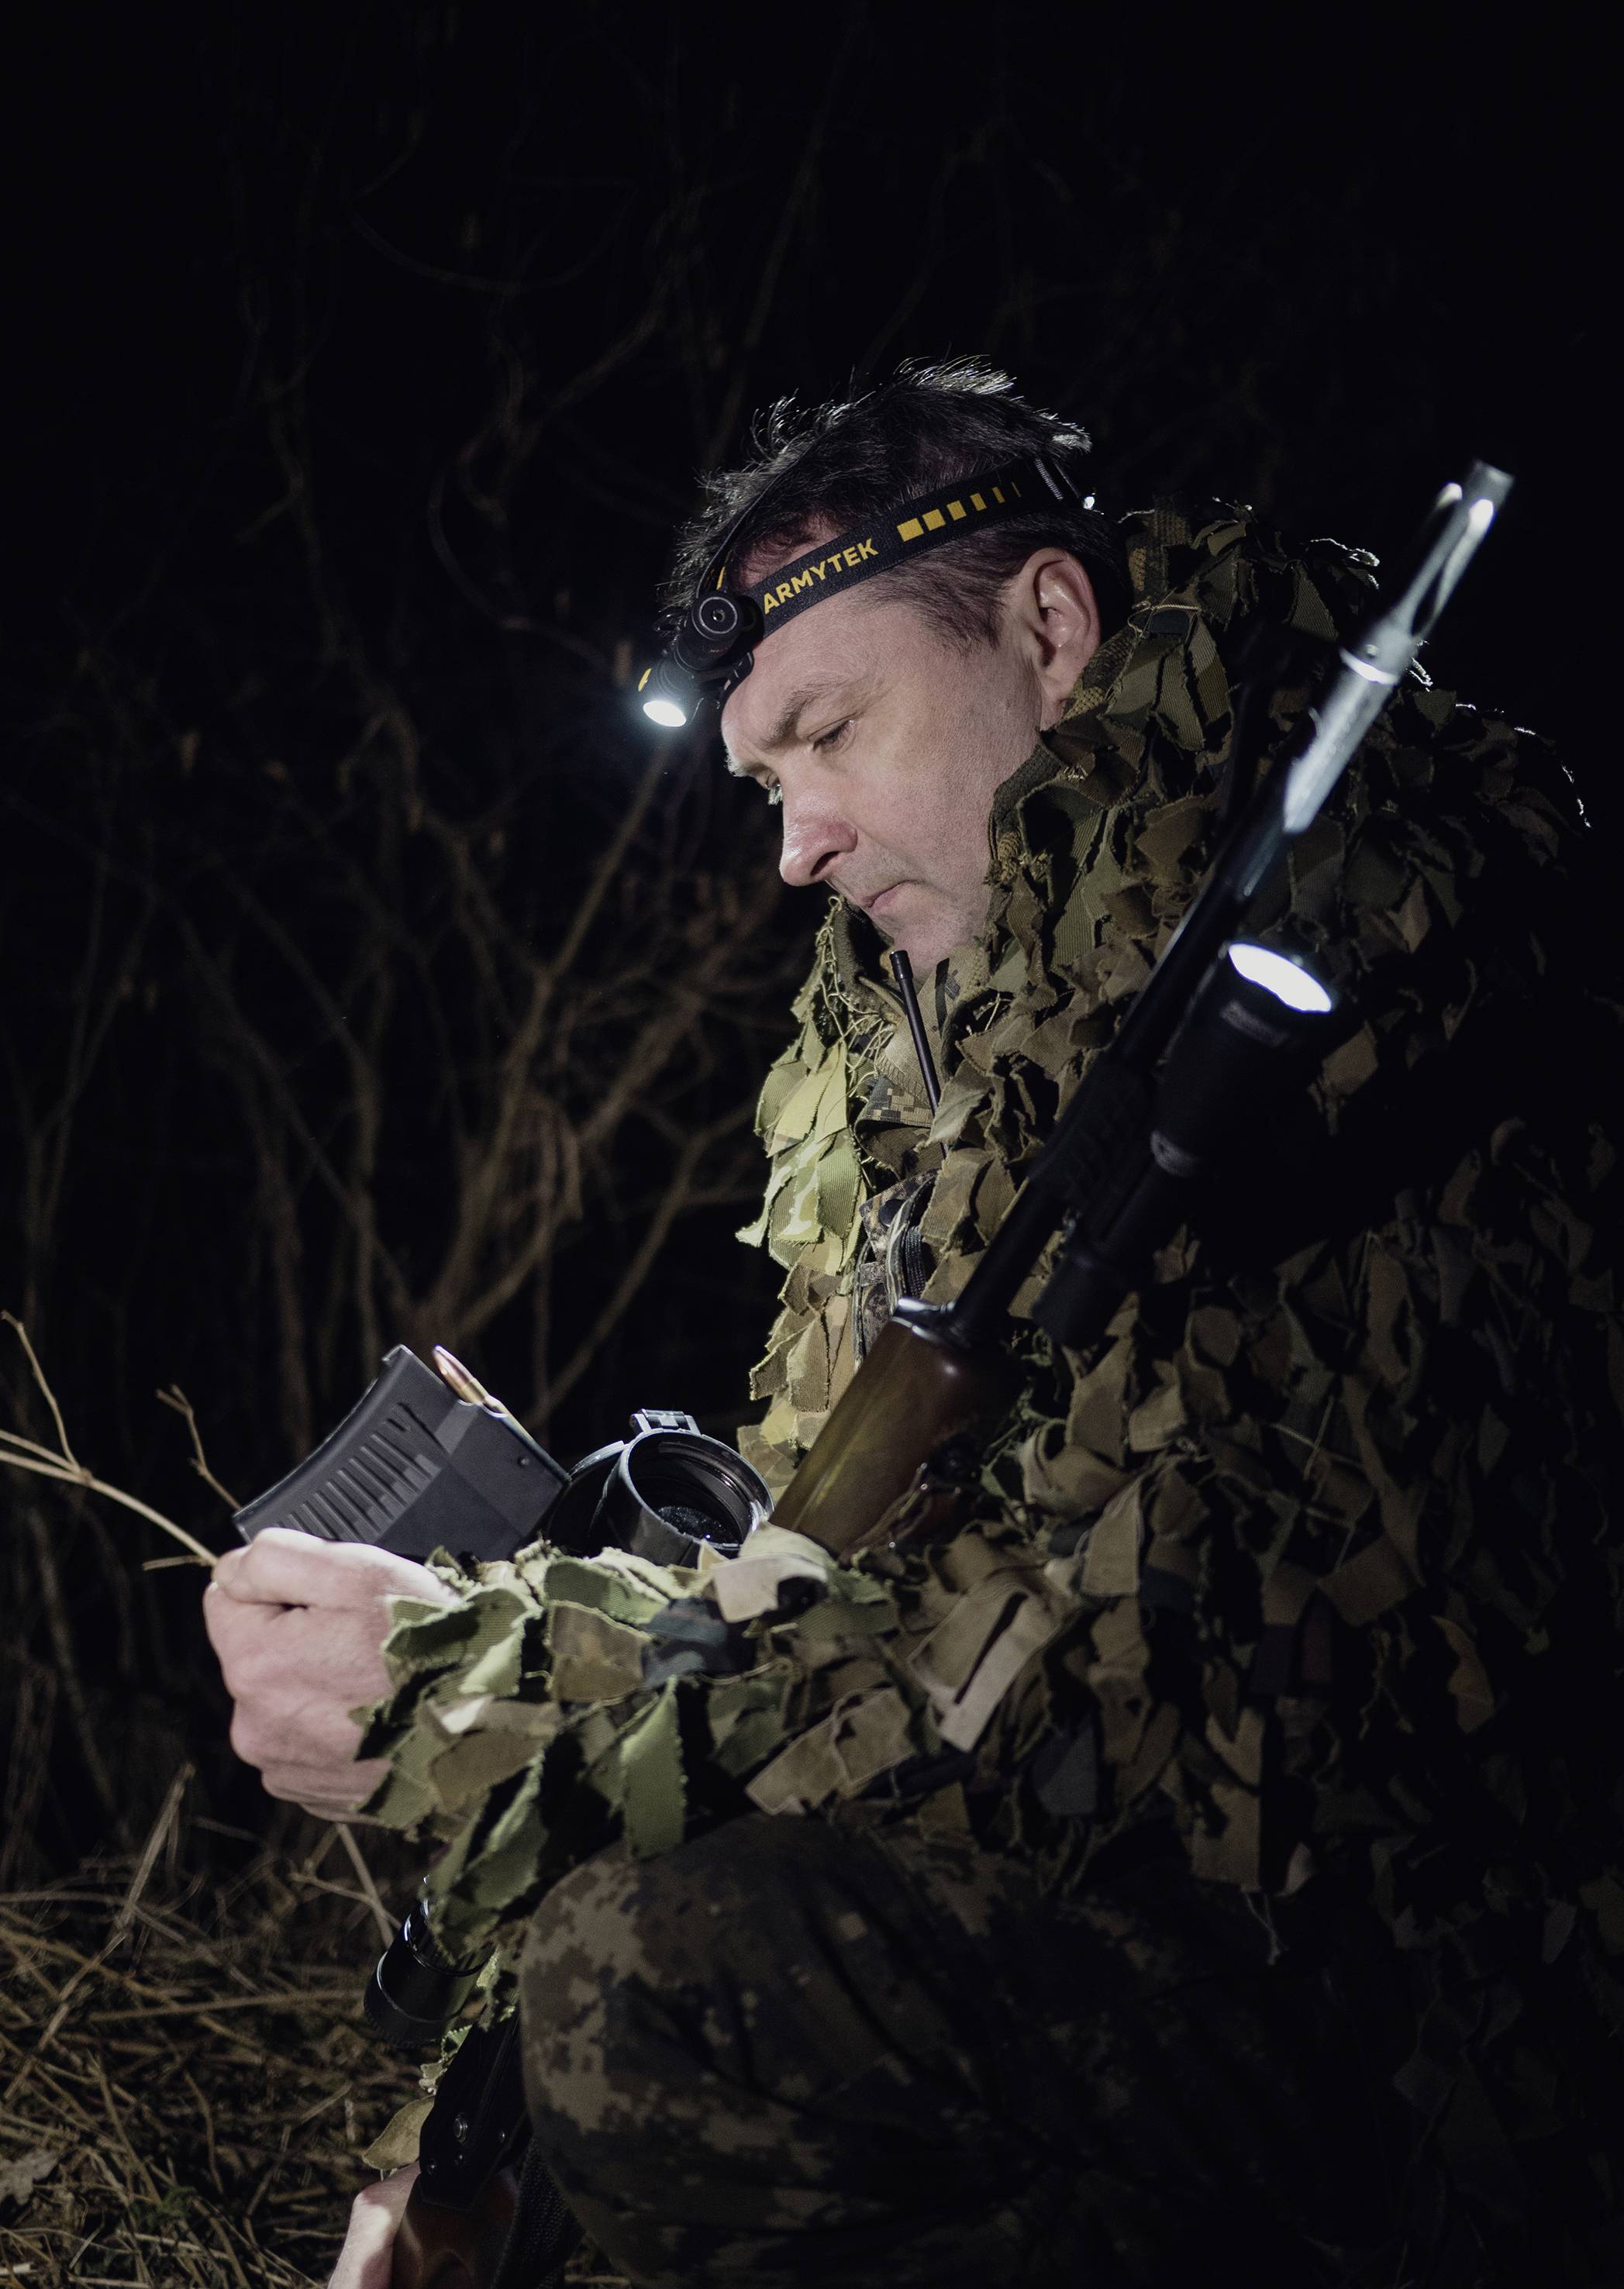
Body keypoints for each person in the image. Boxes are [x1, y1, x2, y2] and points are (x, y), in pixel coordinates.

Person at [205, 363, 1624, 2287]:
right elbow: (819, 1582)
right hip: (1129, 1965)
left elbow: (1074, 1709)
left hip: (1400, 2016)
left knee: (663, 1988)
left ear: (1049, 627)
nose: (793, 844)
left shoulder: (1336, 928)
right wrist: (463, 2141)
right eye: (766, 782)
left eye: (830, 732)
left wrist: (493, 1694)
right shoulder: (923, 1024)